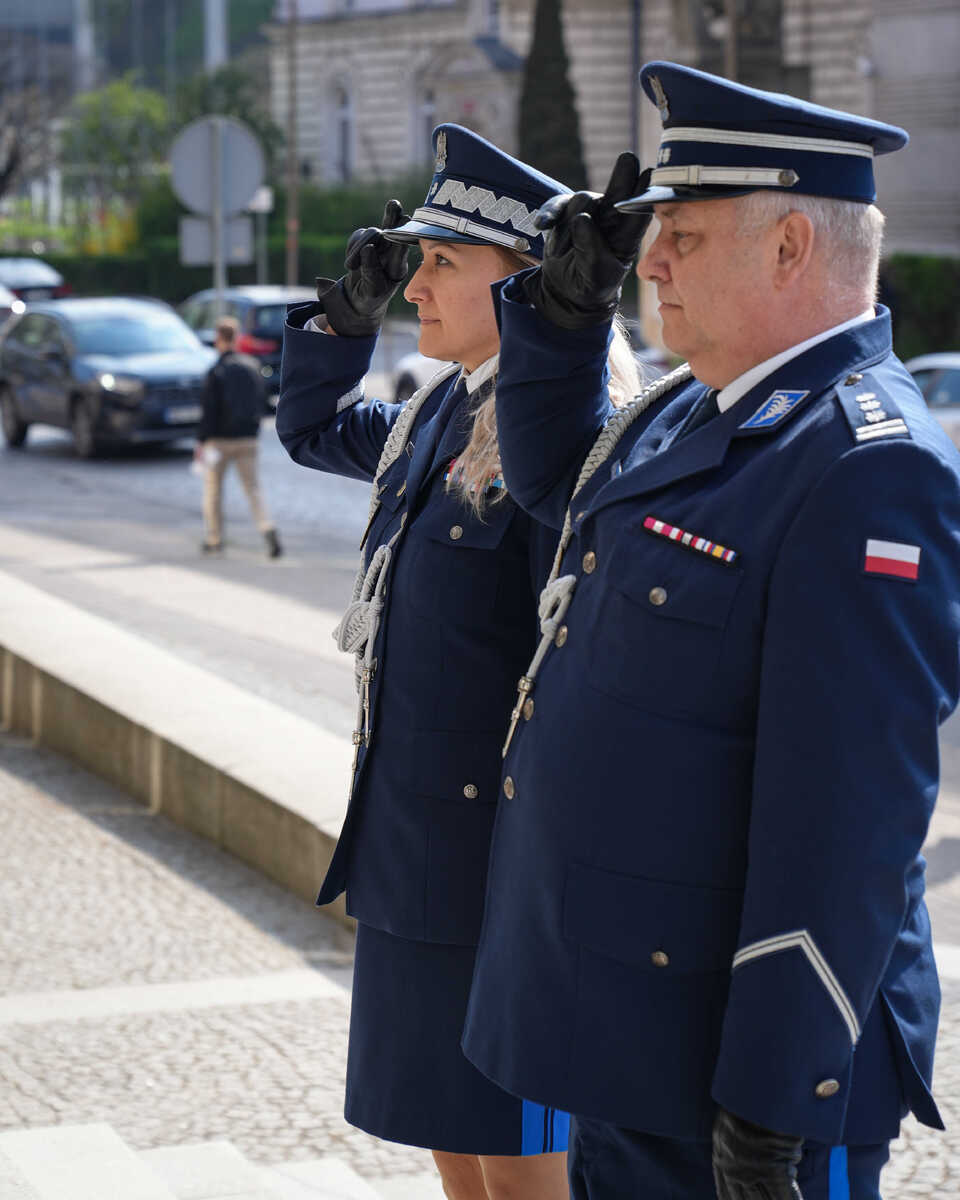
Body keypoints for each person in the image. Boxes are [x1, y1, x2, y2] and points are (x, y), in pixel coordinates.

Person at [460, 63, 960, 1199]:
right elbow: (553, 486)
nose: (652, 260)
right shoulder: (696, 403)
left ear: (789, 248)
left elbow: (849, 822)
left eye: (682, 231)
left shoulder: (865, 468)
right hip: (627, 1033)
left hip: (735, 1072)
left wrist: (775, 1098)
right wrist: (560, 317)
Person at [276, 124, 644, 1200]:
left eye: (443, 263)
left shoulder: (574, 438)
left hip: (499, 863)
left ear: (530, 283)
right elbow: (312, 430)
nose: (418, 284)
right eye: (416, 261)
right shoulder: (442, 411)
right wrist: (347, 319)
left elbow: (580, 675)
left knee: (519, 1154)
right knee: (442, 1129)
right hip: (416, 847)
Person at [195, 315, 282, 557]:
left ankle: (214, 539)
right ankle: (267, 529)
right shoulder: (252, 366)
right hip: (247, 439)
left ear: (218, 339)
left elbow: (209, 410)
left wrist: (202, 441)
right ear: (236, 337)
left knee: (213, 491)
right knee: (253, 489)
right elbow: (263, 402)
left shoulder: (216, 371)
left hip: (219, 442)